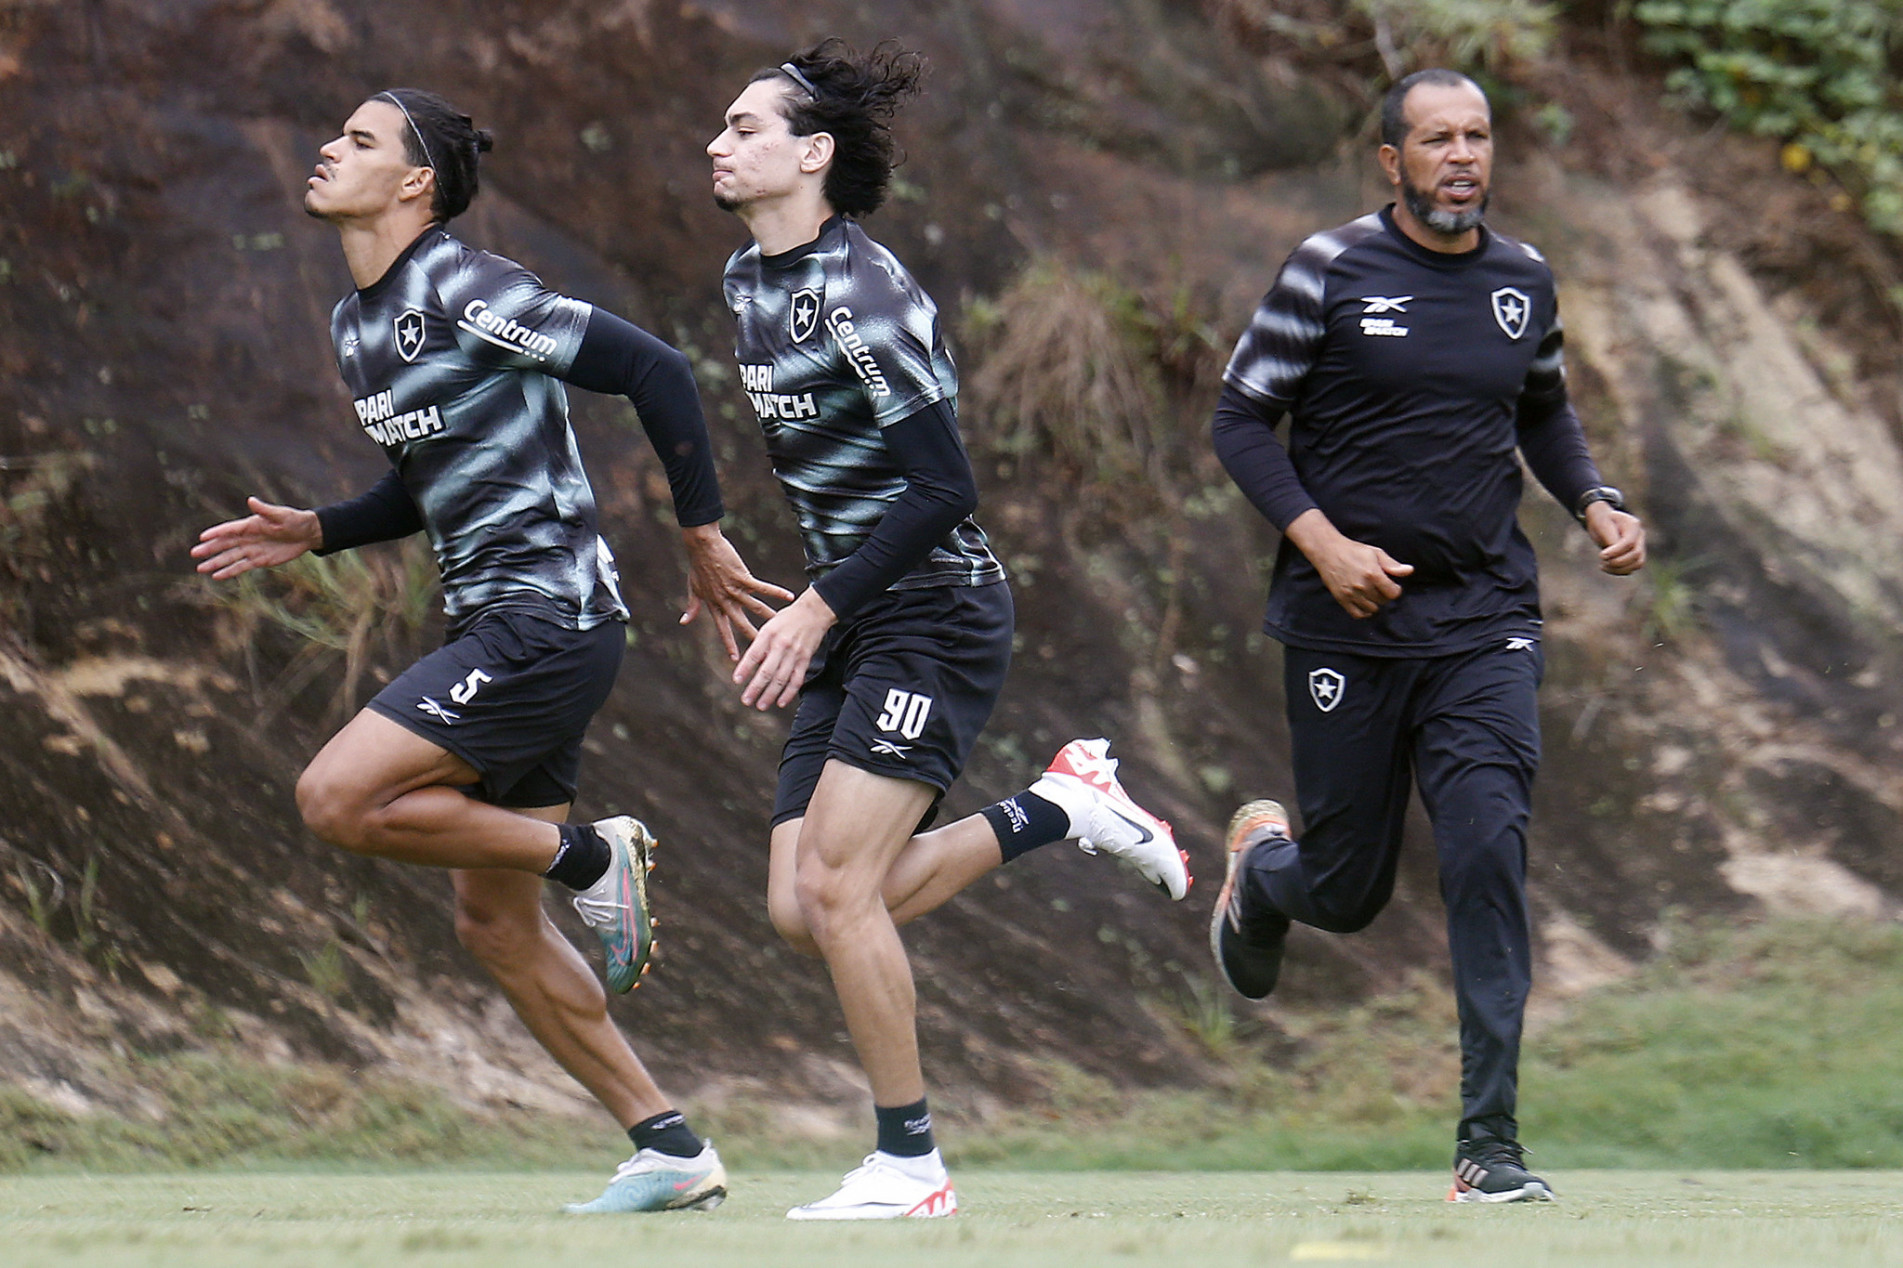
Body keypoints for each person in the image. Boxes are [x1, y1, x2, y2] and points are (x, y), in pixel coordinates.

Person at [192, 88, 789, 1214]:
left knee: (333, 795)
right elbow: (430, 480)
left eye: (360, 141)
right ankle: (668, 1144)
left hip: (547, 620)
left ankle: (590, 859)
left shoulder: (467, 286)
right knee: (489, 921)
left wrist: (701, 535)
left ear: (415, 183)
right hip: (499, 626)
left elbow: (654, 368)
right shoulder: (357, 321)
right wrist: (318, 528)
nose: (328, 148)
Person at [707, 40, 1192, 1220]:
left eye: (743, 127)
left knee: (837, 889)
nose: (717, 144)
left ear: (811, 154)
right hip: (855, 612)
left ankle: (910, 1162)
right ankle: (1063, 808)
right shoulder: (744, 281)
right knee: (799, 904)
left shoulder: (861, 291)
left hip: (929, 606)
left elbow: (941, 492)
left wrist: (819, 604)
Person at [1207, 68, 1646, 1204]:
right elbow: (1239, 415)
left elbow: (1540, 407)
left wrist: (1591, 500)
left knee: (1488, 852)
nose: (1462, 156)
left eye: (1477, 136)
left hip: (1484, 619)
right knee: (1349, 889)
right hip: (1344, 625)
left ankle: (1487, 1144)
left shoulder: (1521, 278)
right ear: (1391, 162)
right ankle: (1263, 875)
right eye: (1436, 139)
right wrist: (1323, 545)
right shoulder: (1330, 266)